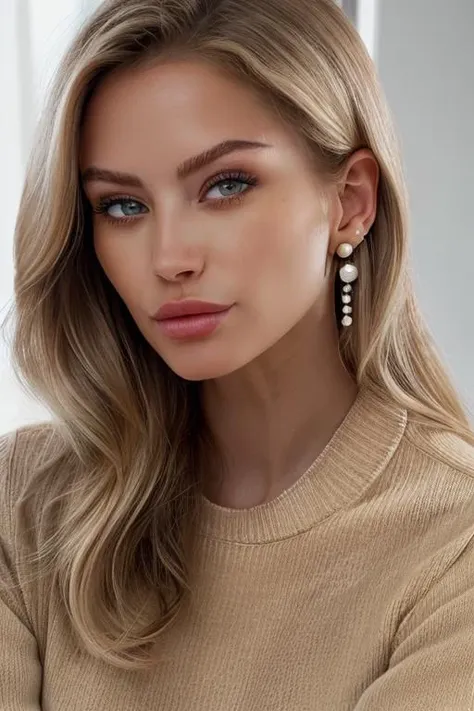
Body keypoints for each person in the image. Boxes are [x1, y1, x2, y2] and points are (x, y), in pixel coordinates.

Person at [1, 0, 474, 707]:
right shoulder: (24, 503)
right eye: (122, 206)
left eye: (226, 186)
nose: (169, 258)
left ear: (351, 201)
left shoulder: (453, 547)